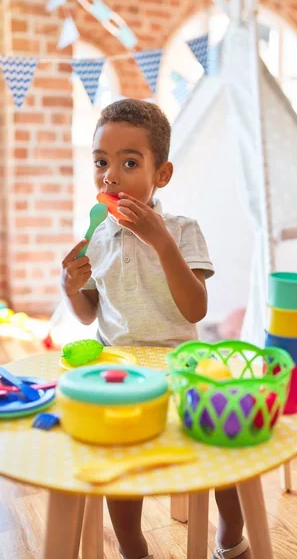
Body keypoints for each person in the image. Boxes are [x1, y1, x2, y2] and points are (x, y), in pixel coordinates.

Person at [61, 99, 251, 559]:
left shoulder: (183, 230)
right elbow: (89, 315)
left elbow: (194, 310)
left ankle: (230, 532)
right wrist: (71, 286)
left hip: (181, 363)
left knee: (220, 436)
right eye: (101, 162)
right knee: (115, 453)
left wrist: (160, 239)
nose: (111, 176)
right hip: (119, 366)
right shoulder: (96, 236)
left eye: (130, 163)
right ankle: (133, 548)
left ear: (161, 175)